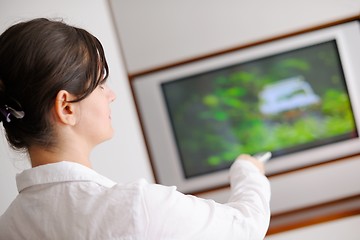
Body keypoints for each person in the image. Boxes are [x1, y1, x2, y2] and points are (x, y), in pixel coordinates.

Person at [0, 18, 270, 239]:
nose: (111, 95)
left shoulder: (8, 227)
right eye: (101, 83)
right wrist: (247, 171)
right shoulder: (135, 207)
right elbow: (247, 227)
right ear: (67, 107)